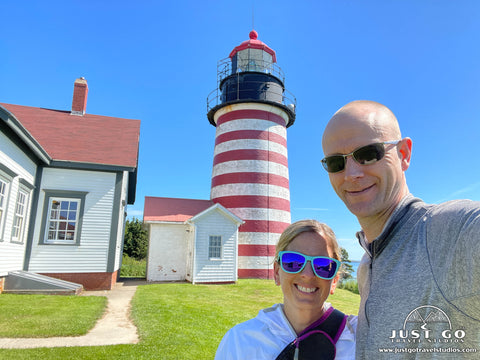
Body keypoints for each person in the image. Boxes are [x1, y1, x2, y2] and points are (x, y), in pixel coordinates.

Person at [321, 100, 480, 359]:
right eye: (336, 163)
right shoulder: (367, 263)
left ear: (404, 154)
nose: (351, 173)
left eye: (368, 153)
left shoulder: (450, 232)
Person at [215, 220, 357, 359]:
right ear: (277, 272)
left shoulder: (357, 338)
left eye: (323, 265)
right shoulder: (240, 340)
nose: (307, 275)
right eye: (294, 262)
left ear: (334, 281)